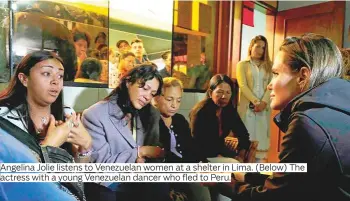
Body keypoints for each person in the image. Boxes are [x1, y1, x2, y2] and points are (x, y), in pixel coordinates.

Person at [230, 33, 350, 201]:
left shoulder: (308, 124)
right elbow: (293, 182)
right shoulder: (335, 110)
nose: (270, 84)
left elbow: (276, 196)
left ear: (302, 76)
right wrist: (247, 176)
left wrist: (228, 185)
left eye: (276, 73)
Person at [0, 51, 92, 201]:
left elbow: (76, 178)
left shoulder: (67, 114)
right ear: (24, 79)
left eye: (60, 76)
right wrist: (50, 146)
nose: (56, 81)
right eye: (46, 73)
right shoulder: (4, 120)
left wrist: (85, 147)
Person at [82, 63, 170, 201]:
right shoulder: (95, 114)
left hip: (140, 183)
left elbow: (157, 153)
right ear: (129, 82)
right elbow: (101, 167)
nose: (147, 97)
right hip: (109, 186)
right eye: (144, 88)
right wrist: (140, 152)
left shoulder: (150, 113)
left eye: (152, 94)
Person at [153, 77, 211, 201]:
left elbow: (192, 147)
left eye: (178, 100)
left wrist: (204, 164)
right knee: (199, 186)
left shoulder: (179, 120)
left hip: (188, 167)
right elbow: (162, 156)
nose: (174, 105)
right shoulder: (150, 122)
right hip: (170, 172)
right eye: (169, 99)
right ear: (156, 98)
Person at [190, 74, 251, 162]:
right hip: (201, 158)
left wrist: (241, 155)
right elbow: (195, 143)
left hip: (219, 154)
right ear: (211, 93)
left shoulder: (229, 110)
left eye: (228, 92)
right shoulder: (200, 112)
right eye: (220, 92)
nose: (224, 96)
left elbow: (244, 135)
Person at [236, 35, 272, 154]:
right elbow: (242, 85)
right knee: (246, 143)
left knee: (262, 145)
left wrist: (263, 103)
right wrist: (256, 102)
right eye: (257, 46)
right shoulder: (242, 64)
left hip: (263, 108)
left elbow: (271, 86)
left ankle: (258, 171)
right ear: (251, 47)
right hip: (248, 108)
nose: (260, 50)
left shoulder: (269, 66)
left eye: (263, 47)